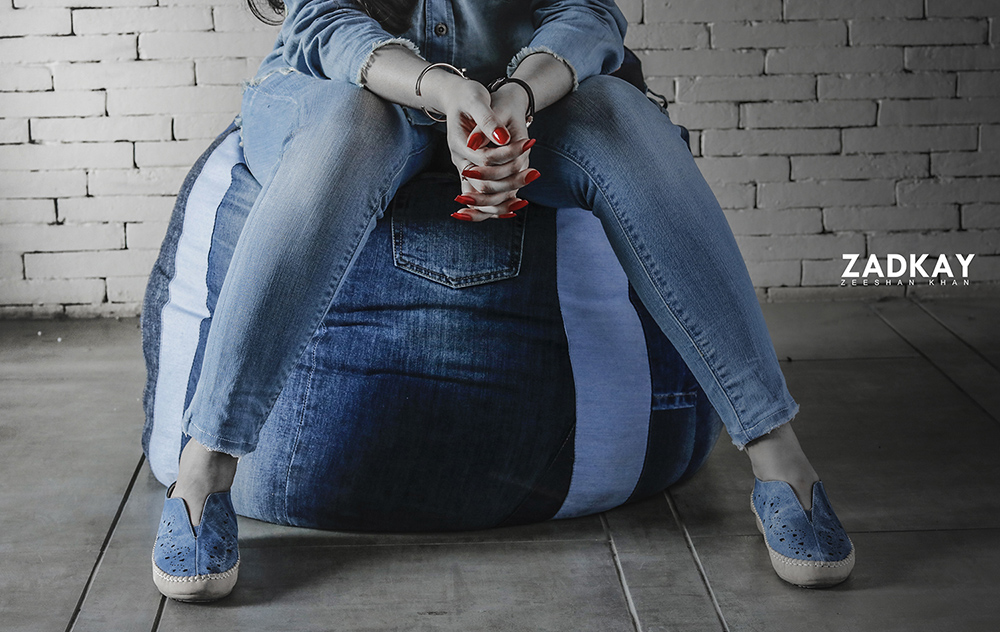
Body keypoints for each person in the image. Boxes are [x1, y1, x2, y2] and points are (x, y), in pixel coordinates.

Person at [151, 0, 855, 602]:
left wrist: (513, 99)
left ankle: (777, 455)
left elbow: (586, 13)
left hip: (526, 92)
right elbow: (323, 21)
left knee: (617, 113)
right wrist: (438, 89)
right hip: (349, 88)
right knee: (349, 126)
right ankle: (205, 467)